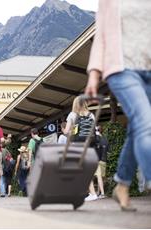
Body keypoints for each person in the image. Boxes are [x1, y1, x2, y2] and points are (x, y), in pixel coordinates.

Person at [85, 0, 150, 211]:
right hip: (122, 70)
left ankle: (122, 184)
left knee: (137, 129)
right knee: (146, 122)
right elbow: (101, 37)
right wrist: (94, 75)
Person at [64, 96, 97, 201]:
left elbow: (66, 131)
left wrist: (71, 131)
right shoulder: (91, 115)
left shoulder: (72, 115)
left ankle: (91, 193)